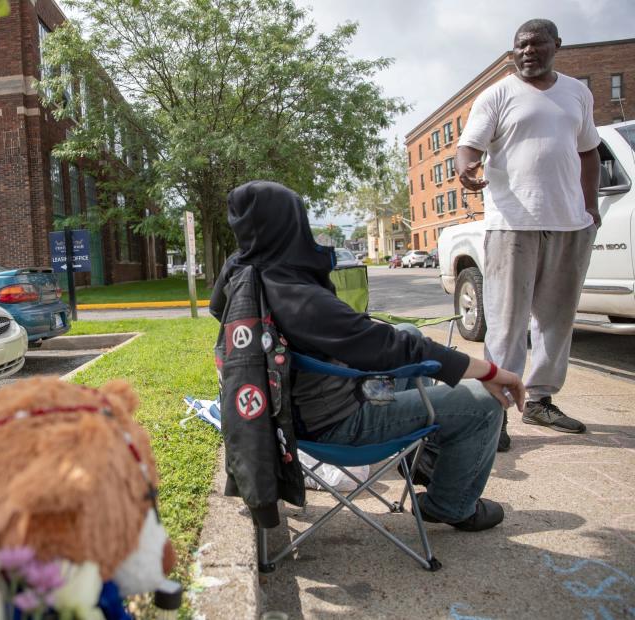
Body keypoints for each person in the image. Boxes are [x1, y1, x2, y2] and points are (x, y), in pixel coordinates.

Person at [211, 181, 526, 531]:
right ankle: (451, 506)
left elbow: (216, 309)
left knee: (408, 330)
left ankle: (426, 462)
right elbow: (386, 347)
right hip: (340, 423)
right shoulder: (296, 295)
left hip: (304, 409)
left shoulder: (245, 272)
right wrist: (487, 371)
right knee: (482, 403)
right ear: (290, 225)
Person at [456, 19, 600, 451]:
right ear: (513, 51)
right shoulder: (498, 94)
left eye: (537, 44)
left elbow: (589, 151)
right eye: (521, 45)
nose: (528, 51)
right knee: (505, 321)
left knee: (557, 322)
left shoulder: (577, 92)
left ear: (557, 44)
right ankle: (494, 411)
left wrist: (590, 208)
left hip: (569, 224)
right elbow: (470, 145)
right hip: (512, 224)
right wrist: (465, 167)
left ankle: (540, 399)